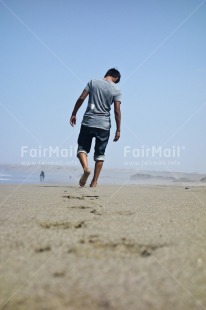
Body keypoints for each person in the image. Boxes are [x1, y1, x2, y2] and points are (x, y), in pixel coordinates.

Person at [70, 68, 121, 187]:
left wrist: (74, 113)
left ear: (107, 74)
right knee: (100, 154)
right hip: (104, 125)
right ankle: (94, 182)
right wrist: (118, 129)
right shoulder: (116, 89)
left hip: (88, 121)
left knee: (82, 148)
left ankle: (86, 168)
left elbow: (81, 98)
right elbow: (117, 111)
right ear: (116, 77)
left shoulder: (93, 82)